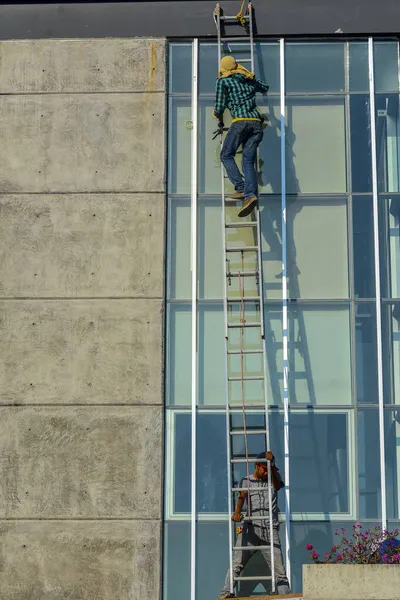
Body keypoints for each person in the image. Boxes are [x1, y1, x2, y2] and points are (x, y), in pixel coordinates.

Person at [219, 450, 290, 599]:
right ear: (257, 466)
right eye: (264, 469)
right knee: (237, 562)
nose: (266, 473)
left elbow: (277, 486)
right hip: (250, 529)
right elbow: (241, 497)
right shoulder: (247, 480)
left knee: (279, 570)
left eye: (268, 470)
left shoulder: (272, 479)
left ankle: (285, 596)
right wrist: (237, 512)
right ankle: (226, 592)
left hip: (270, 530)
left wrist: (271, 466)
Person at [213, 55, 269, 219]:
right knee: (247, 160)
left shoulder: (223, 81)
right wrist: (251, 78)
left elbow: (219, 105)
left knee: (226, 155)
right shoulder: (247, 78)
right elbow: (264, 87)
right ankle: (250, 195)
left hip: (241, 123)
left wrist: (217, 115)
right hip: (256, 125)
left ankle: (241, 186)